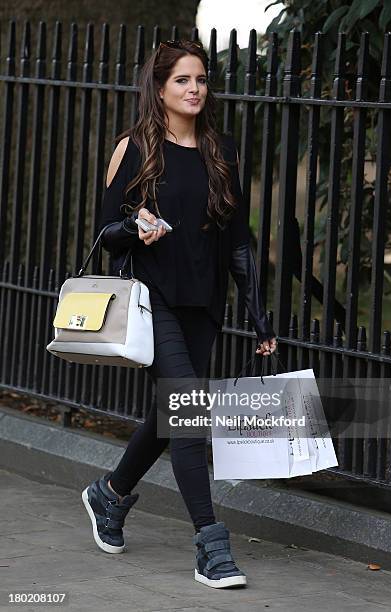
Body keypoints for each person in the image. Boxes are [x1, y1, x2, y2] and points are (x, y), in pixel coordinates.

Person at [81, 39, 277, 589]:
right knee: (188, 410)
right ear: (160, 89)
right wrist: (135, 226)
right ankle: (210, 545)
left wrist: (258, 315)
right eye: (182, 81)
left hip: (204, 301)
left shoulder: (223, 151)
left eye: (201, 79)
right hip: (152, 296)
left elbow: (240, 241)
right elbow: (105, 231)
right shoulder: (135, 149)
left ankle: (110, 495)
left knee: (172, 414)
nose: (194, 89)